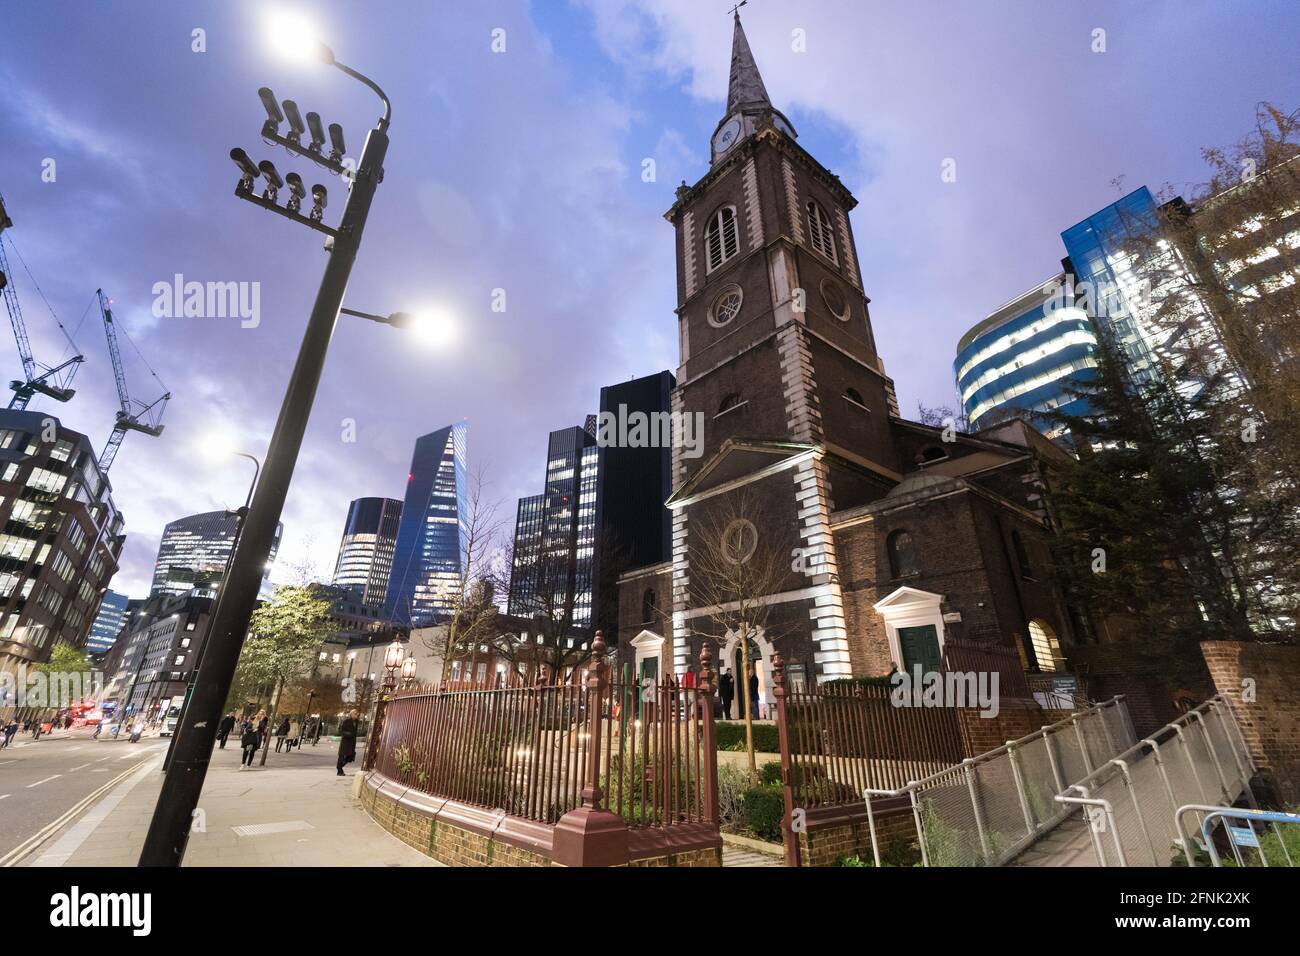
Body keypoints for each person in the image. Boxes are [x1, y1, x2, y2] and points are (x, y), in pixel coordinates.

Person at [336, 709, 358, 776]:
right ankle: (339, 770)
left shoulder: (356, 722)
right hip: (345, 742)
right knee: (342, 756)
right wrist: (348, 734)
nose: (357, 715)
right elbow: (341, 730)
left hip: (352, 742)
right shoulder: (346, 721)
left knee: (350, 758)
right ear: (351, 714)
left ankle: (340, 768)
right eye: (355, 713)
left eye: (357, 714)